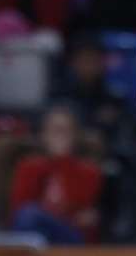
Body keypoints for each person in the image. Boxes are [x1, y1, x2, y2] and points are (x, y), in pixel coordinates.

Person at [8, 103, 105, 243]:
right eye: (54, 130)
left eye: (65, 131)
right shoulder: (28, 167)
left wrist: (62, 160)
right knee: (28, 215)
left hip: (70, 235)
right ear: (43, 135)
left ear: (76, 136)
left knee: (31, 215)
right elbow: (19, 209)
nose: (60, 136)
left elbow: (83, 214)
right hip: (36, 231)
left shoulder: (89, 172)